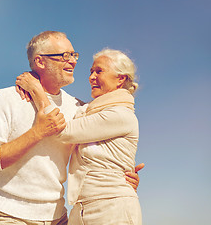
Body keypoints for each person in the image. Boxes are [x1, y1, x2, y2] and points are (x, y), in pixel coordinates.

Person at [0, 31, 142, 225]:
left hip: (59, 217)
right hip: (12, 214)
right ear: (40, 62)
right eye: (65, 56)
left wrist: (125, 177)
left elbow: (106, 144)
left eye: (74, 55)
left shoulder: (80, 108)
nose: (73, 61)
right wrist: (37, 132)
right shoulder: (7, 99)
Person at [15, 48, 142, 224]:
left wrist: (36, 90)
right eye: (91, 72)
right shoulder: (88, 111)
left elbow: (60, 129)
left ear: (120, 78)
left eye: (99, 71)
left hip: (112, 209)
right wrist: (40, 77)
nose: (91, 77)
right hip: (82, 211)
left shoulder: (121, 114)